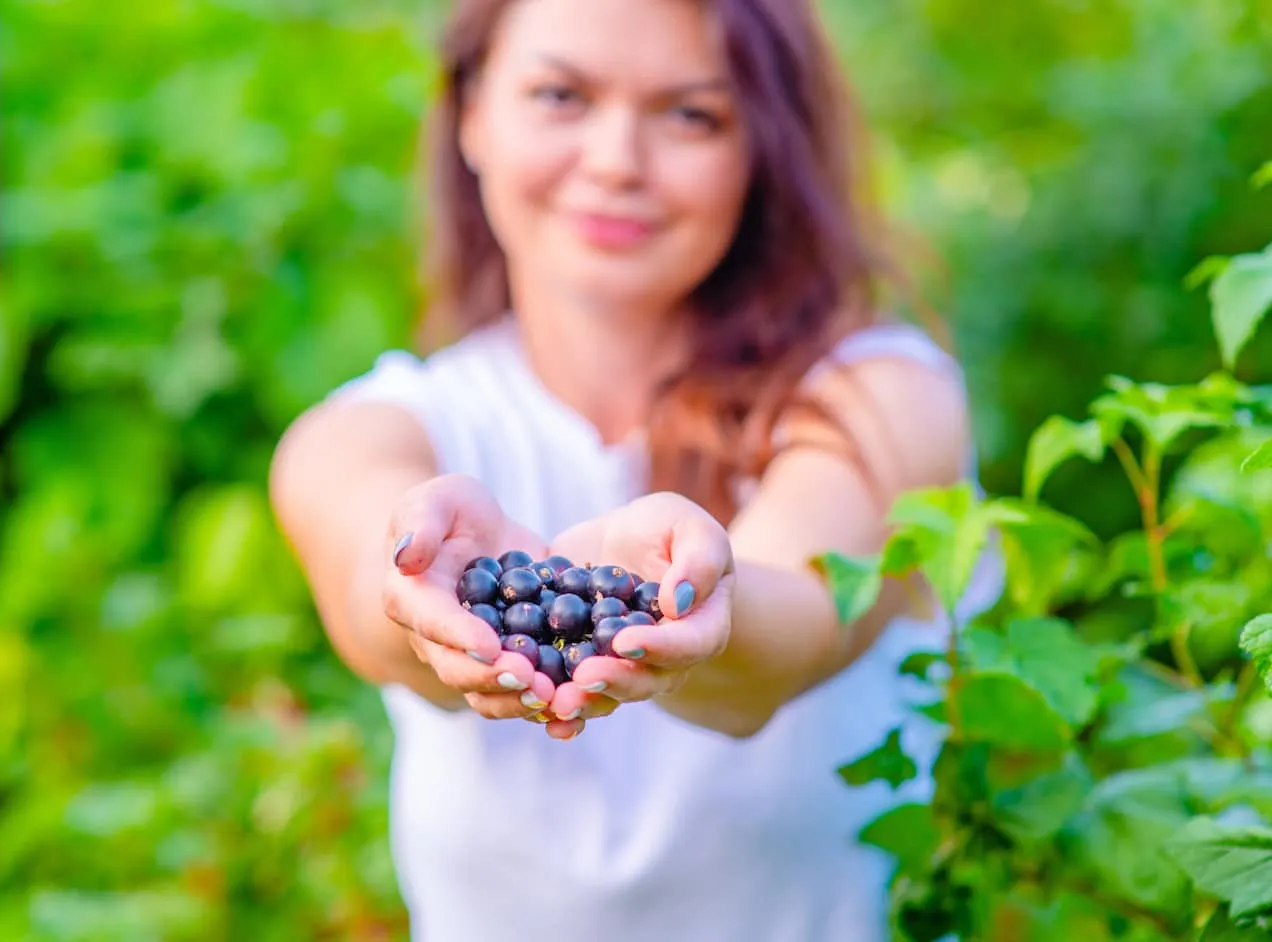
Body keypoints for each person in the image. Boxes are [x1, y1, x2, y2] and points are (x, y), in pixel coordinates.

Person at [270, 0, 998, 939]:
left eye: (691, 113)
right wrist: (419, 592)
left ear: (762, 149)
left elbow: (794, 621)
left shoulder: (883, 402)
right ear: (473, 115)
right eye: (560, 94)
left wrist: (698, 601)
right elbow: (369, 576)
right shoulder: (375, 427)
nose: (617, 160)